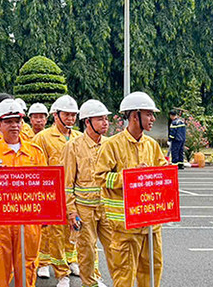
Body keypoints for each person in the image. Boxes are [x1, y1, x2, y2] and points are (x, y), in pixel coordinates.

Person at [0, 99, 48, 287]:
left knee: (27, 268)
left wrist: (46, 215)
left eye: (17, 121)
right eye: (8, 121)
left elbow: (45, 187)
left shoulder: (35, 153)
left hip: (28, 223)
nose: (14, 126)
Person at [95, 92, 168, 287]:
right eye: (148, 114)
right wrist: (128, 177)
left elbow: (163, 176)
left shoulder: (152, 146)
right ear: (135, 116)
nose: (153, 119)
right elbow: (100, 178)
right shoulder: (112, 145)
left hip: (151, 225)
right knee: (124, 276)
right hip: (125, 226)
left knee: (152, 273)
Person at [62, 100, 113, 287]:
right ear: (87, 122)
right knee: (87, 251)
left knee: (117, 249)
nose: (105, 123)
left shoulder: (110, 144)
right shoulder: (73, 147)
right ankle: (89, 284)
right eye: (100, 119)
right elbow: (67, 183)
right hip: (83, 210)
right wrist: (71, 211)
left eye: (106, 119)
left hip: (107, 207)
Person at [34, 95, 82, 286]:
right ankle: (58, 271)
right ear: (56, 115)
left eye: (73, 115)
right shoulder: (43, 138)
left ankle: (72, 260)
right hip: (52, 193)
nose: (70, 119)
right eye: (67, 115)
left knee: (74, 230)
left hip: (74, 192)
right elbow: (37, 167)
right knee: (52, 233)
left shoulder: (79, 137)